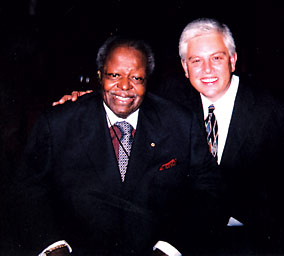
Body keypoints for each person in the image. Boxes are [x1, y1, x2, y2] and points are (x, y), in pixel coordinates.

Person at [55, 18, 284, 255]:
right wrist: (83, 101)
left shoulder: (275, 111)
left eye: (217, 58)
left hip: (252, 237)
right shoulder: (170, 98)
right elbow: (124, 95)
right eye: (196, 61)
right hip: (182, 236)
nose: (207, 69)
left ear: (233, 60)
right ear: (184, 66)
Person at [16, 35, 225, 256]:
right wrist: (53, 247)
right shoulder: (58, 123)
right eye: (114, 75)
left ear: (148, 80)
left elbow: (208, 192)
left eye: (136, 78)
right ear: (99, 76)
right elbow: (28, 191)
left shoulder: (180, 123)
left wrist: (170, 248)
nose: (124, 86)